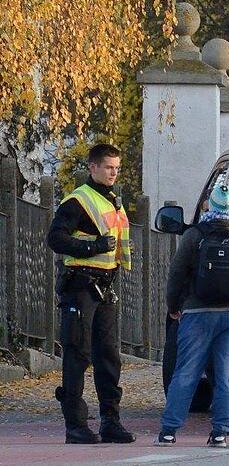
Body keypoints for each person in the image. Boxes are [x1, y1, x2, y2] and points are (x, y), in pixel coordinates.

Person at [155, 185, 229, 448]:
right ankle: (220, 432)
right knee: (228, 375)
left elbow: (176, 274)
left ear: (210, 206)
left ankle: (168, 431)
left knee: (186, 372)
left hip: (197, 312)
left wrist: (173, 306)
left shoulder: (194, 235)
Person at [46, 143, 135, 445]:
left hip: (105, 287)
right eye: (108, 167)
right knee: (77, 355)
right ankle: (76, 426)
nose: (113, 173)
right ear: (93, 167)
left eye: (116, 168)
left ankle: (111, 422)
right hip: (80, 287)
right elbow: (55, 238)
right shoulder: (78, 201)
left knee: (109, 357)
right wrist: (93, 246)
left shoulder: (112, 201)